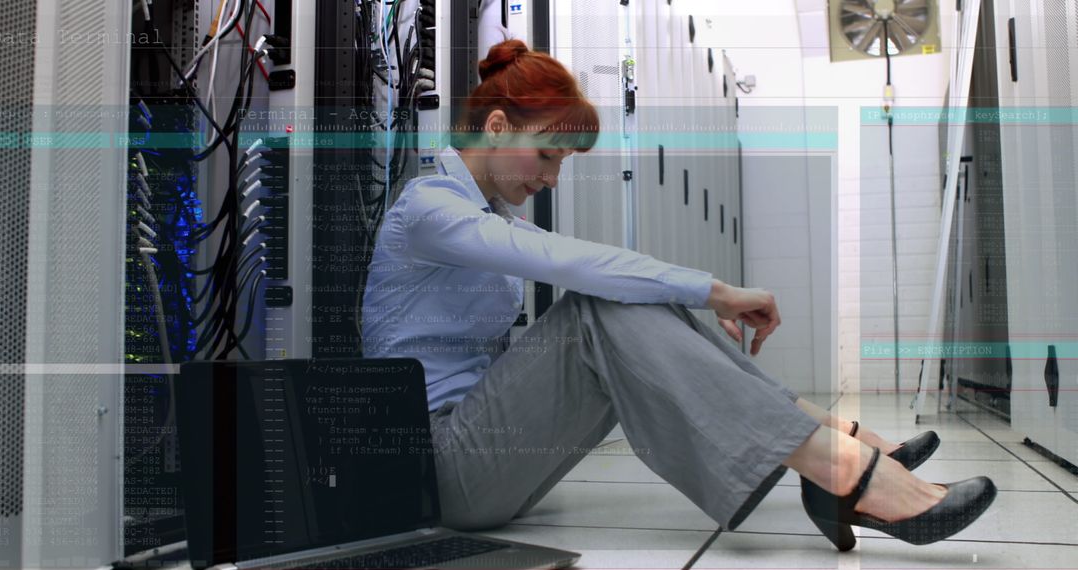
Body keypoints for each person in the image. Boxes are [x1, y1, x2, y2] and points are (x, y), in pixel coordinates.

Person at [361, 39, 996, 551]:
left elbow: (590, 289)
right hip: (440, 472)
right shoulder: (429, 209)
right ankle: (841, 466)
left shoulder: (491, 218)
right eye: (548, 156)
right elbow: (580, 268)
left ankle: (836, 443)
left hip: (492, 460)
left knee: (628, 297)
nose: (552, 179)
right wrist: (711, 293)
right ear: (497, 127)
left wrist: (677, 325)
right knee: (599, 302)